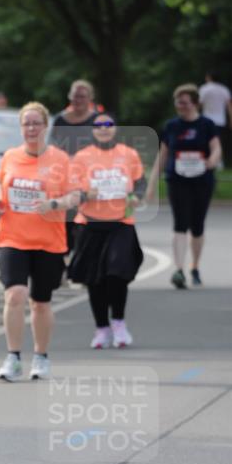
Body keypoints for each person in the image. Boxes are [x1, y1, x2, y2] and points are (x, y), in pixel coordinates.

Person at [0, 101, 79, 381]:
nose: (31, 128)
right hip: (12, 237)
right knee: (14, 295)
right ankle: (13, 357)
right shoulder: (10, 156)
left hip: (48, 241)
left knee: (40, 302)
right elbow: (0, 182)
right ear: (21, 128)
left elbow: (75, 196)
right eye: (26, 123)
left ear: (45, 126)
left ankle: (41, 357)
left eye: (36, 123)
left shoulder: (60, 159)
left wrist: (54, 203)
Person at [68, 114, 146, 348]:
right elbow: (71, 192)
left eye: (108, 125)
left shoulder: (128, 153)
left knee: (117, 273)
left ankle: (119, 322)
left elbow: (140, 182)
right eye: (99, 126)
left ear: (115, 129)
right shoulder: (81, 157)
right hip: (90, 224)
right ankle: (101, 328)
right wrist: (84, 195)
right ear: (93, 130)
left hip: (121, 223)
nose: (103, 129)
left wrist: (136, 196)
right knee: (95, 280)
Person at [147, 84, 221, 288]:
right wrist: (152, 184)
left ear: (195, 103)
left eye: (185, 102)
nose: (181, 106)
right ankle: (178, 270)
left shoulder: (207, 125)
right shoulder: (172, 126)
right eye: (178, 102)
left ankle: (194, 266)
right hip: (177, 180)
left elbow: (216, 149)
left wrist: (211, 161)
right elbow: (162, 156)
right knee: (180, 223)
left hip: (202, 180)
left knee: (197, 226)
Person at [49, 79, 100, 255]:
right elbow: (51, 148)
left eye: (82, 96)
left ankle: (83, 263)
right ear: (70, 97)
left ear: (90, 98)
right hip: (64, 178)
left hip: (89, 178)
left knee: (86, 222)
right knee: (66, 220)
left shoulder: (97, 120)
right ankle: (65, 259)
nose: (78, 100)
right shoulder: (59, 120)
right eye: (75, 96)